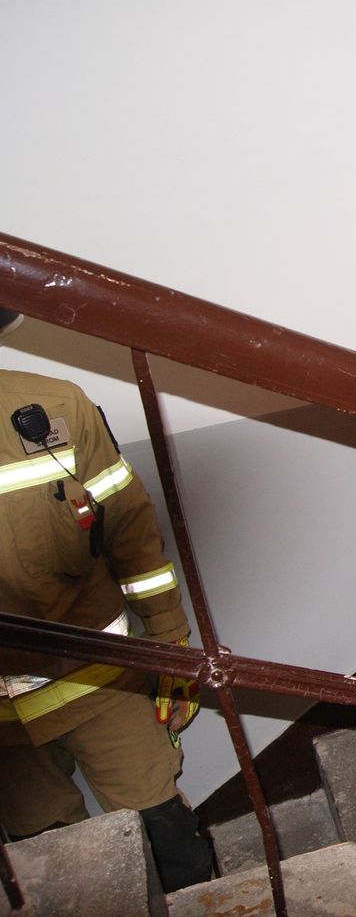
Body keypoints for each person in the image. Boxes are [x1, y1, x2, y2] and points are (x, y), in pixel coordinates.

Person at [0, 308, 214, 891]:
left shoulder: (56, 408)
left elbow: (131, 535)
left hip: (99, 680)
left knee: (171, 846)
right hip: (6, 738)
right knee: (61, 877)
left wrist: (170, 647)